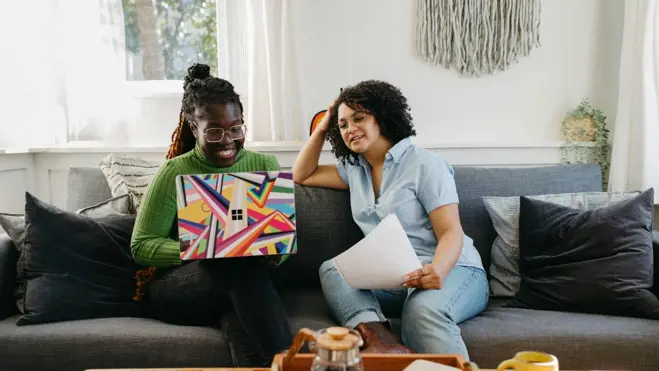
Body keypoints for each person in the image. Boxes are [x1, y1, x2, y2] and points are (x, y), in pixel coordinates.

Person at [292, 80, 488, 360]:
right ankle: (381, 343)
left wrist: (438, 271)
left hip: (454, 269)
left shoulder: (424, 164)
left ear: (382, 116)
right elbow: (303, 174)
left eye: (359, 118)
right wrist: (324, 126)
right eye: (343, 125)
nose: (350, 129)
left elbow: (451, 232)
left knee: (422, 310)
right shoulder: (354, 170)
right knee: (333, 270)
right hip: (397, 276)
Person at [130, 63, 293, 367]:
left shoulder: (265, 163)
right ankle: (288, 361)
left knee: (239, 304)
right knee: (235, 263)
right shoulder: (175, 171)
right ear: (194, 128)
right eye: (214, 131)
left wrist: (275, 253)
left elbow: (280, 237)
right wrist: (204, 246)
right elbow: (141, 246)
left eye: (236, 128)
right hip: (181, 287)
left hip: (243, 286)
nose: (228, 139)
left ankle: (273, 363)